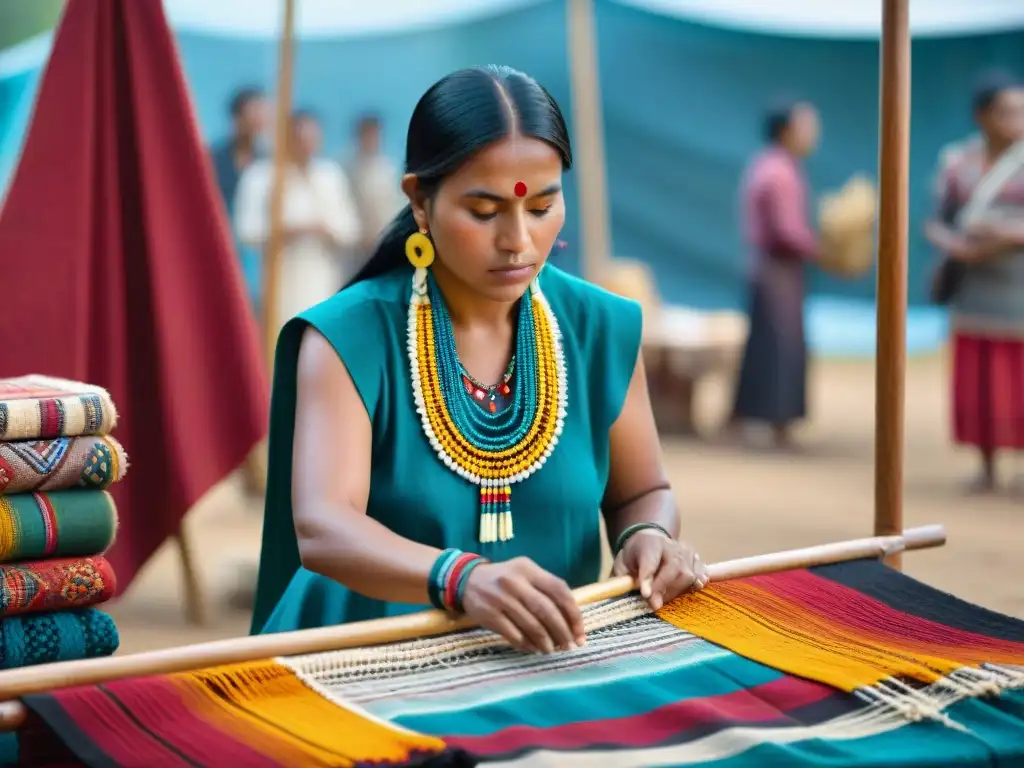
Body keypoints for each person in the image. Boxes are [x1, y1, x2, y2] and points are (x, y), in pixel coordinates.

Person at [250, 66, 707, 653]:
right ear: (419, 200)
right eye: (486, 212)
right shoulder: (349, 337)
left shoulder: (600, 328)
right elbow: (325, 528)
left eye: (542, 207)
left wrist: (649, 535)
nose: (518, 240)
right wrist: (463, 579)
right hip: (358, 669)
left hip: (541, 669)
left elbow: (642, 492)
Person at [924, 71, 1024, 494]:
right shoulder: (956, 162)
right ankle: (986, 464)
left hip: (1017, 288)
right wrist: (957, 248)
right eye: (1005, 111)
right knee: (980, 377)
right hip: (973, 290)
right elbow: (935, 221)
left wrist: (1003, 237)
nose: (1016, 119)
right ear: (981, 115)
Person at [726, 100, 821, 451]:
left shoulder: (770, 166)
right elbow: (787, 231)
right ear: (786, 130)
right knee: (780, 347)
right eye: (806, 126)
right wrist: (822, 250)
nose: (813, 134)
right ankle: (777, 424)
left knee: (766, 344)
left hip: (772, 268)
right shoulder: (778, 172)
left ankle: (749, 417)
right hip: (776, 268)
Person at [235, 110, 362, 338]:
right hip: (279, 276)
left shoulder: (329, 175)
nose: (307, 146)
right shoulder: (261, 175)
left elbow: (350, 230)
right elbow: (247, 230)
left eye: (312, 139)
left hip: (321, 276)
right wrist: (284, 231)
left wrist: (323, 228)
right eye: (301, 139)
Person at [208, 86, 269, 305]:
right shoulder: (213, 158)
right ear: (237, 117)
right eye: (254, 113)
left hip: (256, 255)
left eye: (263, 113)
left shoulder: (271, 162)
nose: (260, 121)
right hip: (219, 247)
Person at [345, 113, 405, 266]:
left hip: (382, 241)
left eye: (375, 134)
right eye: (367, 134)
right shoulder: (345, 169)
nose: (371, 139)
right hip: (352, 245)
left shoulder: (387, 170)